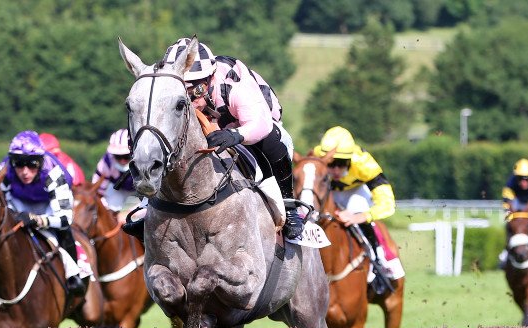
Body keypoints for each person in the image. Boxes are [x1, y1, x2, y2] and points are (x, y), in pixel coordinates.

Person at [162, 37, 304, 239]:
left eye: (196, 91)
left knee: (273, 139)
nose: (191, 102)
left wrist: (235, 134)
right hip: (218, 126)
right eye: (184, 93)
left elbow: (260, 124)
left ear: (210, 78)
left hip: (256, 127)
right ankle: (150, 207)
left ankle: (289, 208)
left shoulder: (234, 84)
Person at [0, 131, 86, 296]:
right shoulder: (3, 170)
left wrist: (38, 220)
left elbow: (65, 219)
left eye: (32, 164)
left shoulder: (54, 173)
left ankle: (74, 273)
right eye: (19, 164)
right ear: (12, 161)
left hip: (49, 205)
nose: (25, 171)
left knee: (63, 231)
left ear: (41, 161)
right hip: (19, 202)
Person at [312, 125, 404, 284]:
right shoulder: (316, 156)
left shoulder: (364, 163)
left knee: (358, 205)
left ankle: (381, 260)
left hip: (355, 191)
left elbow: (387, 203)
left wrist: (359, 217)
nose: (335, 169)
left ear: (350, 159)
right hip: (328, 191)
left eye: (341, 163)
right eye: (331, 164)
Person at [92, 129, 145, 237]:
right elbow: (97, 192)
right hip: (118, 190)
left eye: (126, 156)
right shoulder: (106, 162)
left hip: (141, 192)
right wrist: (107, 210)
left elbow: (150, 198)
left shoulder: (145, 161)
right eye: (118, 156)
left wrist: (129, 212)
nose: (122, 161)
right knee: (110, 214)